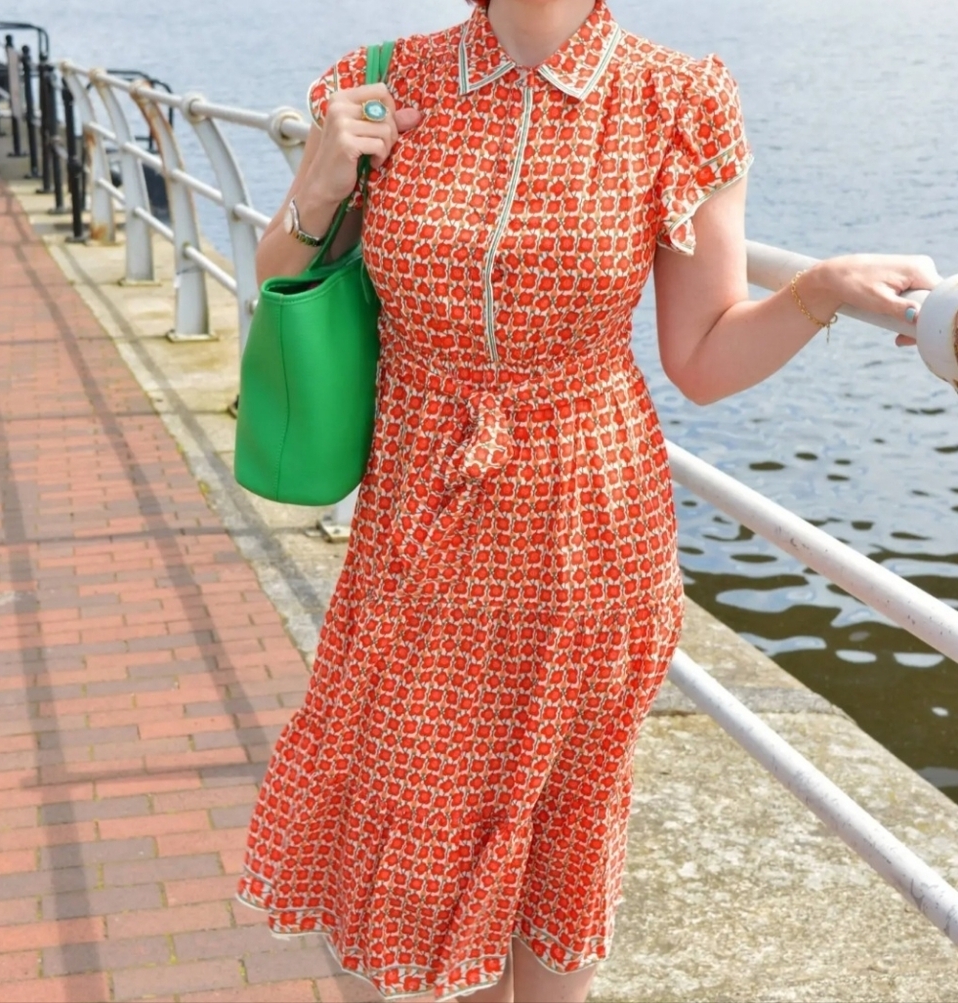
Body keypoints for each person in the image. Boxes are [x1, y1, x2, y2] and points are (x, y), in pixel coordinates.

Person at [237, 1, 941, 1001]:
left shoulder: (676, 98)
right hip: (415, 523)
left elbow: (697, 357)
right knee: (418, 819)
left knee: (559, 830)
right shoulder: (384, 80)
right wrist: (319, 180)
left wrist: (815, 290)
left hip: (586, 532)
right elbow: (283, 281)